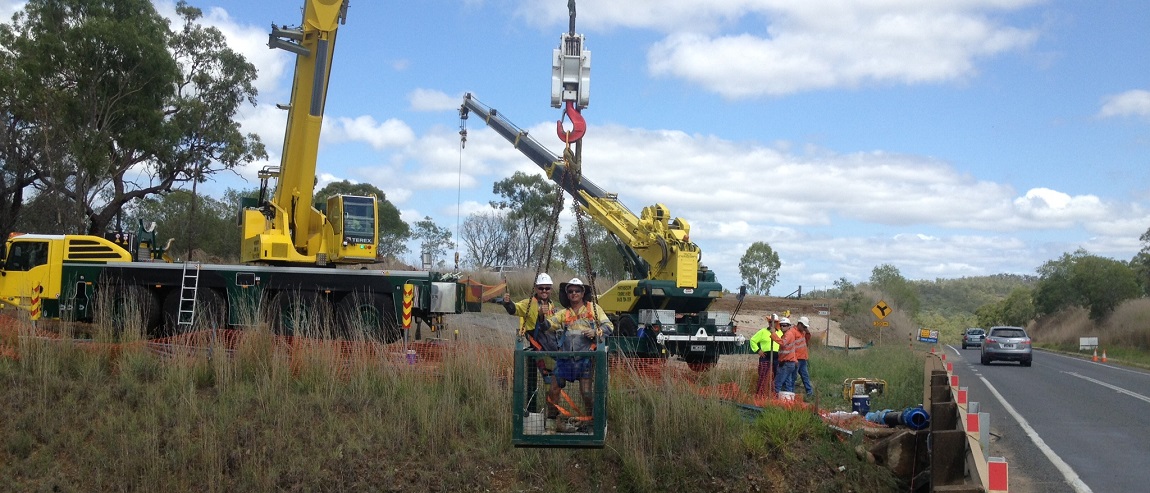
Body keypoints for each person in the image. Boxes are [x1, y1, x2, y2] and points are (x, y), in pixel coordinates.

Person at [544, 278, 613, 431]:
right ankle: (551, 421)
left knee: (587, 392)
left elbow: (609, 325)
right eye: (570, 291)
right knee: (553, 389)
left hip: (585, 359)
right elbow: (549, 325)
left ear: (583, 293)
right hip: (565, 359)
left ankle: (590, 422)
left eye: (577, 291)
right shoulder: (564, 313)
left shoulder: (593, 309)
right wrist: (541, 316)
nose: (574, 293)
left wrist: (596, 332)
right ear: (567, 294)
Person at [503, 273, 558, 416]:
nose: (544, 291)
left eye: (547, 288)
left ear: (550, 289)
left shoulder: (551, 304)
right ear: (536, 288)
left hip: (550, 347)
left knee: (554, 383)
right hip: (538, 348)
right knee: (549, 383)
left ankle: (550, 415)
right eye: (541, 288)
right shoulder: (529, 303)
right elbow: (514, 309)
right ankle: (550, 417)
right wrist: (507, 302)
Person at [748, 313, 783, 397]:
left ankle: (774, 394)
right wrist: (757, 350)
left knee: (776, 377)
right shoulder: (763, 332)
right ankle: (761, 395)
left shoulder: (781, 333)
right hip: (765, 357)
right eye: (770, 322)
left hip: (777, 358)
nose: (771, 323)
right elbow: (752, 340)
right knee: (763, 376)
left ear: (777, 323)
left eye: (774, 322)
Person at [769, 317, 804, 395]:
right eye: (781, 325)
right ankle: (788, 400)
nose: (782, 327)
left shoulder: (788, 334)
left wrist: (773, 334)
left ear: (789, 326)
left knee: (777, 383)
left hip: (787, 363)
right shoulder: (786, 334)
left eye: (784, 325)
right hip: (788, 362)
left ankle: (774, 399)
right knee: (788, 384)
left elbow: (783, 343)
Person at [790, 316, 814, 396]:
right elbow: (791, 347)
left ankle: (809, 392)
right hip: (796, 359)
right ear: (799, 324)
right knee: (793, 377)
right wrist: (794, 358)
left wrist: (807, 330)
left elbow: (808, 338)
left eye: (805, 327)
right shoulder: (793, 332)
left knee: (805, 377)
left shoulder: (803, 332)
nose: (804, 328)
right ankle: (791, 393)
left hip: (803, 359)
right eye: (804, 326)